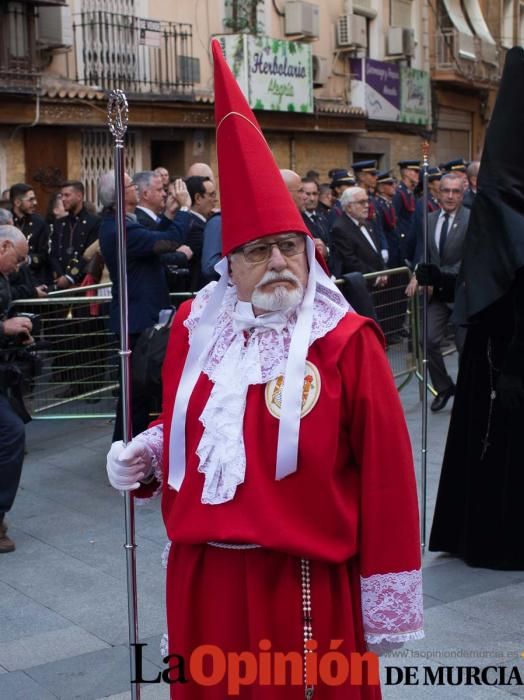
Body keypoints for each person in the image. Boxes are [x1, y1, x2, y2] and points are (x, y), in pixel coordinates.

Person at [106, 39, 423, 699]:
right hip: (199, 584)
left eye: (288, 246)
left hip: (301, 584)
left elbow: (388, 476)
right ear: (230, 266)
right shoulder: (197, 331)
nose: (277, 262)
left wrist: (386, 597)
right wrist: (148, 453)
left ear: (308, 252)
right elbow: (192, 424)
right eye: (257, 251)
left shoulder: (344, 340)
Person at [429, 46, 524, 570]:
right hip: (489, 360)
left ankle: (500, 540)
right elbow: (485, 282)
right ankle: (470, 532)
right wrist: (441, 280)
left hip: (511, 362)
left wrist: (514, 366)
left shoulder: (512, 217)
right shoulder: (499, 214)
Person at [98, 170, 191, 440]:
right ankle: (126, 448)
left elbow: (152, 237)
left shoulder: (126, 223)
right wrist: (185, 209)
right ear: (119, 195)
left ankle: (133, 445)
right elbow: (167, 242)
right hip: (135, 320)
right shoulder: (120, 228)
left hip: (140, 316)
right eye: (129, 186)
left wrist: (171, 214)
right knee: (134, 394)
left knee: (137, 394)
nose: (135, 189)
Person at [406, 172, 469, 411]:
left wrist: (437, 276)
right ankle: (444, 387)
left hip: (463, 294)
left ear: (462, 195)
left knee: (465, 348)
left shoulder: (471, 219)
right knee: (428, 340)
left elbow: (469, 258)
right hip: (437, 296)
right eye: (446, 191)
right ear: (438, 192)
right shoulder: (429, 219)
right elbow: (425, 254)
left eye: (456, 191)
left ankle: (466, 392)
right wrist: (418, 273)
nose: (450, 196)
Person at [0, 225, 33, 553]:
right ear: (4, 246)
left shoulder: (5, 277)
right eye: (19, 259)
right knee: (10, 434)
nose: (19, 266)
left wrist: (14, 332)